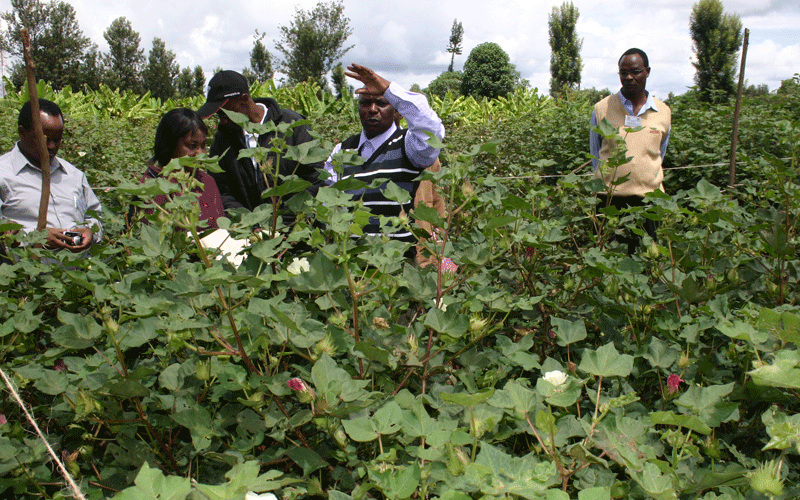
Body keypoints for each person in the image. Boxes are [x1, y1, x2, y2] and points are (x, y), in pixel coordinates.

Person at [323, 63, 445, 246]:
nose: (372, 109)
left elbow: (431, 129)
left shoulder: (409, 145)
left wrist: (389, 89)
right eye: (365, 103)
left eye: (381, 103)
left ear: (397, 110)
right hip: (354, 264)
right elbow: (329, 202)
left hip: (398, 264)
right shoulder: (343, 150)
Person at [197, 70, 324, 214]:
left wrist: (283, 221)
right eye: (218, 116)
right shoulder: (223, 138)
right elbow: (221, 191)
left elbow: (313, 180)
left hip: (293, 228)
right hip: (248, 233)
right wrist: (249, 223)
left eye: (224, 113)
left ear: (244, 99)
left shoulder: (292, 125)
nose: (223, 121)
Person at [590, 48, 671, 253]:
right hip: (609, 200)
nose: (628, 77)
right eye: (623, 72)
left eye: (635, 72)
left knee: (647, 261)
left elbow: (659, 153)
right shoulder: (602, 109)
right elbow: (595, 152)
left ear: (647, 71)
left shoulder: (663, 112)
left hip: (648, 201)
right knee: (608, 260)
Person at [0, 98, 102, 253]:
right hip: (26, 275)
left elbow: (95, 218)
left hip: (76, 273)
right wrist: (36, 237)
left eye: (57, 140)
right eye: (45, 139)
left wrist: (91, 233)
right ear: (22, 132)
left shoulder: (73, 175)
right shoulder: (4, 174)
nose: (52, 146)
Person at [132, 108, 224, 230]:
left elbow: (220, 227)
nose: (200, 153)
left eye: (203, 146)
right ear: (170, 144)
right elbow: (149, 234)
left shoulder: (206, 181)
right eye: (192, 146)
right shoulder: (152, 185)